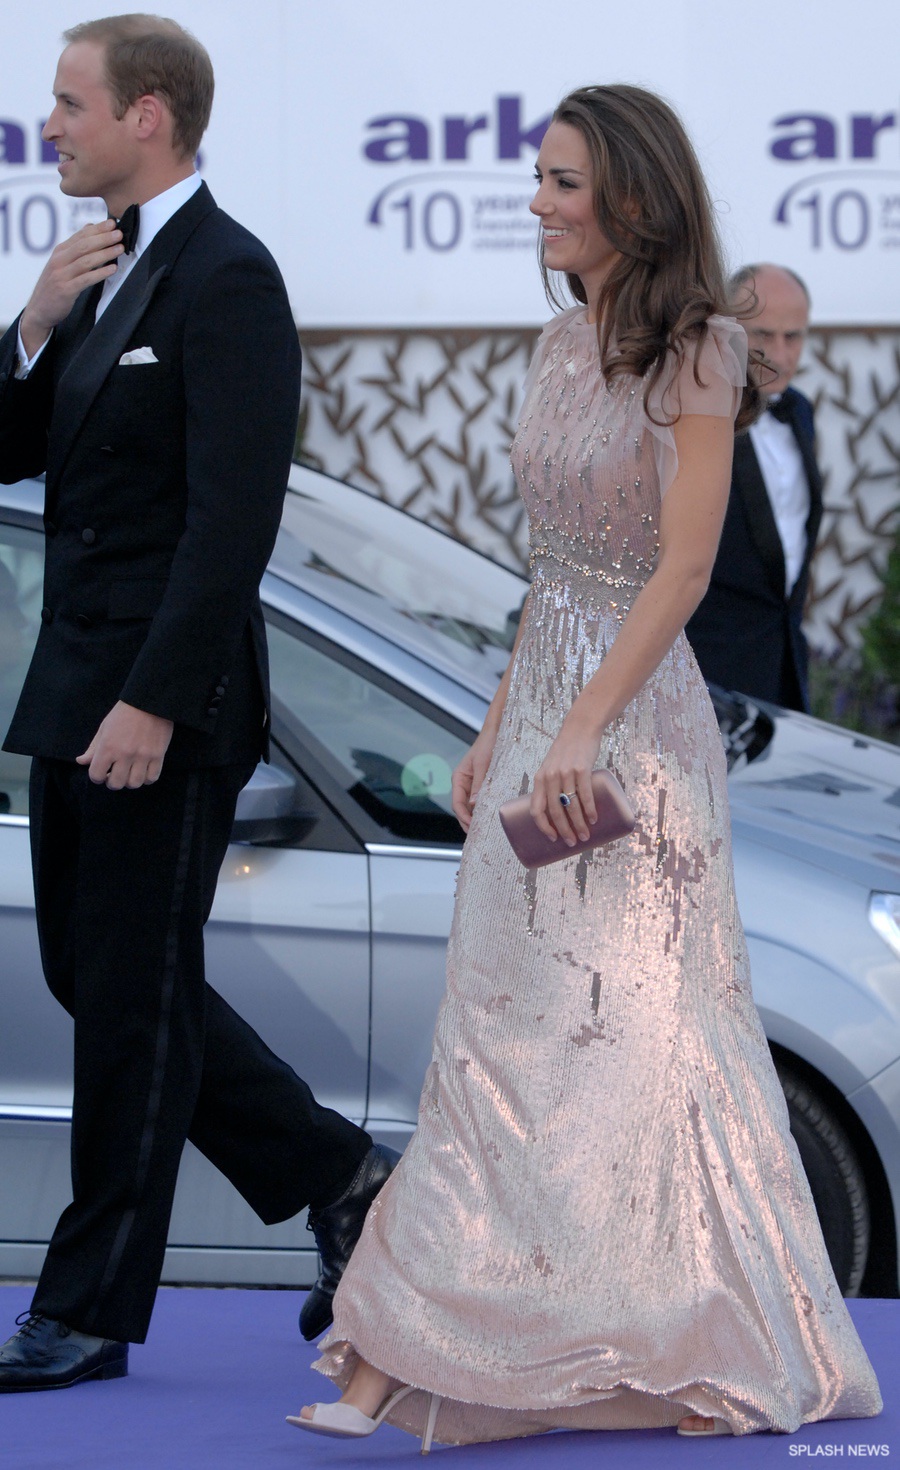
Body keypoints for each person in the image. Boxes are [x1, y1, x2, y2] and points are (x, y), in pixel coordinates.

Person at [290, 86, 881, 1448]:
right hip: (550, 715)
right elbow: (551, 574)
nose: (541, 203)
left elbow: (677, 567)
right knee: (495, 1035)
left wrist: (577, 727)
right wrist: (506, 721)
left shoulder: (702, 350)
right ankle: (406, 1345)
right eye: (541, 179)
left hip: (637, 747)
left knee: (636, 1045)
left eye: (564, 182)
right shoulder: (558, 343)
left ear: (632, 195)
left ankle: (671, 1339)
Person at [0, 15, 395, 1393]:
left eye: (67, 102)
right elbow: (7, 448)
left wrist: (155, 703)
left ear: (149, 115)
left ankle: (90, 1304)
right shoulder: (102, 271)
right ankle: (347, 1178)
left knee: (127, 1003)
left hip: (157, 712)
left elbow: (233, 524)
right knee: (111, 981)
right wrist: (35, 319)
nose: (46, 124)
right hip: (72, 694)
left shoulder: (228, 278)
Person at [685, 263, 823, 710]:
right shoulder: (697, 418)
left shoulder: (799, 411)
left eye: (793, 337)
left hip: (783, 673)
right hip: (706, 683)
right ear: (726, 331)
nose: (780, 355)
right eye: (763, 335)